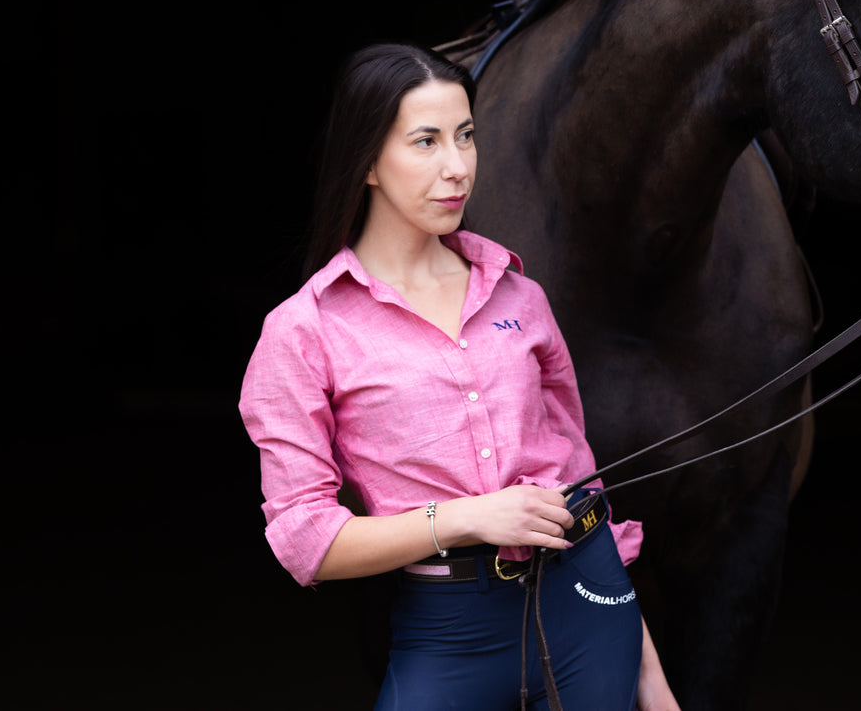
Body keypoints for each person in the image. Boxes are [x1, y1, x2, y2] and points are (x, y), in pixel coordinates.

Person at [239, 42, 680, 710]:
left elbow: (583, 485)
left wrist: (653, 682)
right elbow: (306, 540)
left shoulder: (517, 294)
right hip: (449, 628)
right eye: (425, 141)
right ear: (367, 162)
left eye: (465, 136)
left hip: (589, 603)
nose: (456, 167)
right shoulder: (304, 330)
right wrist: (468, 516)